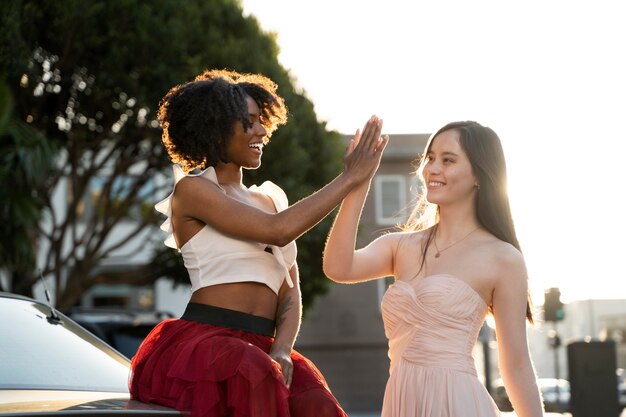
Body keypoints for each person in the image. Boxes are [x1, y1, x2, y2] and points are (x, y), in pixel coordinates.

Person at [129, 68, 387, 417]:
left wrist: (281, 350)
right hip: (208, 343)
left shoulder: (269, 200)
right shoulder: (193, 191)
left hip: (263, 349)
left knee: (318, 404)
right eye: (248, 122)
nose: (262, 131)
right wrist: (349, 178)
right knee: (254, 373)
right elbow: (278, 230)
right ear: (216, 128)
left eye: (261, 121)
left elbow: (290, 291)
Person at [323, 121, 544, 417]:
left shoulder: (503, 258)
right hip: (401, 405)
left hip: (460, 405)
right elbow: (338, 267)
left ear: (479, 174)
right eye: (430, 158)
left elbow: (516, 364)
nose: (432, 169)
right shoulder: (400, 246)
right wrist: (357, 182)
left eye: (448, 160)